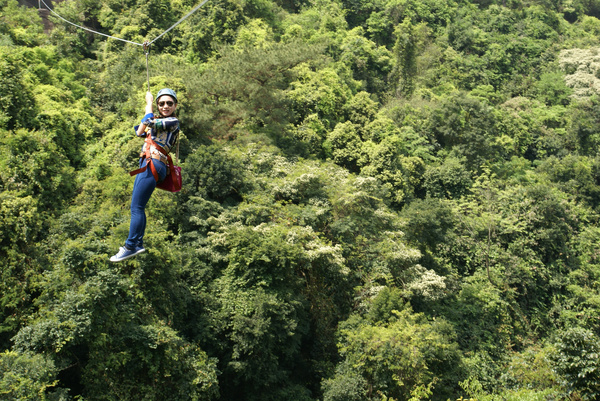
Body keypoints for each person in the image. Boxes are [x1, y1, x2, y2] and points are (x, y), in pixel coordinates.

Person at [110, 88, 180, 262]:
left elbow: (149, 122)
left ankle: (130, 245)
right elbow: (139, 132)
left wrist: (149, 104)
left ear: (175, 106)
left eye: (169, 103)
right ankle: (137, 243)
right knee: (137, 206)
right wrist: (149, 109)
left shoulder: (173, 121)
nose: (165, 106)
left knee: (136, 208)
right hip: (149, 163)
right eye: (161, 103)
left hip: (153, 162)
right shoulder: (156, 119)